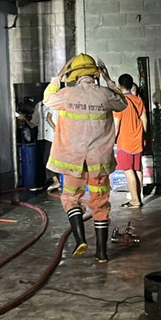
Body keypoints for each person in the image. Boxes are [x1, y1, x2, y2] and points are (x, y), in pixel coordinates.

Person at [44, 53, 128, 263]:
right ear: (95, 73)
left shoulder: (67, 94)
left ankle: (80, 239)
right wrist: (109, 80)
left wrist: (59, 75)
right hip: (98, 162)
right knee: (100, 203)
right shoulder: (105, 95)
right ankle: (102, 252)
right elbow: (123, 103)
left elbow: (47, 99)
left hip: (74, 162)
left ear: (73, 74)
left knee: (70, 198)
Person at [113, 73, 147, 208]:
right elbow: (144, 119)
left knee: (128, 170)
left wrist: (111, 139)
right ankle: (138, 196)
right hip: (137, 139)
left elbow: (116, 125)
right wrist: (143, 136)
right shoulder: (138, 100)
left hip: (125, 141)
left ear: (120, 86)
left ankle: (135, 200)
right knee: (137, 169)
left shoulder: (120, 102)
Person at [30, 93, 61, 192]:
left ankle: (56, 181)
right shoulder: (39, 105)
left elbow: (49, 118)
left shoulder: (56, 103)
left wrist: (56, 129)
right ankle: (48, 182)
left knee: (48, 160)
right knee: (44, 160)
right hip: (43, 137)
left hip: (52, 137)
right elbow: (33, 124)